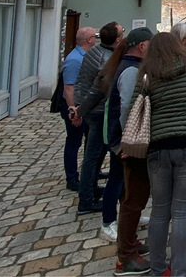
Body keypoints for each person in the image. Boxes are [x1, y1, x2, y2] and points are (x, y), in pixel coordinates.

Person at [135, 32, 186, 276]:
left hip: (159, 144)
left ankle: (159, 268)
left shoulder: (147, 75)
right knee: (182, 211)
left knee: (160, 210)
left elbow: (135, 109)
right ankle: (179, 270)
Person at [101, 28, 153, 274]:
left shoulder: (124, 65)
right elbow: (128, 110)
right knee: (134, 197)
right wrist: (128, 144)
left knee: (128, 194)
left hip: (121, 141)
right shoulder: (132, 70)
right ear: (142, 46)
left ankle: (129, 242)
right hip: (129, 144)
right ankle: (126, 257)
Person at [75, 22, 124, 215]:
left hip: (94, 111)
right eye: (122, 33)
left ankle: (91, 189)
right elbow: (96, 90)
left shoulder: (95, 51)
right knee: (93, 157)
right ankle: (86, 199)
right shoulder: (106, 59)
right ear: (117, 38)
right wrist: (80, 110)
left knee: (94, 156)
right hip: (99, 112)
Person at [61, 26, 96, 191]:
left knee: (87, 141)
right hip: (74, 107)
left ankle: (88, 173)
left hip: (83, 105)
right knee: (74, 142)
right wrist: (73, 110)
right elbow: (69, 87)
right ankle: (72, 178)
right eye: (94, 37)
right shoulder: (75, 59)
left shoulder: (84, 56)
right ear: (89, 40)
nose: (96, 39)